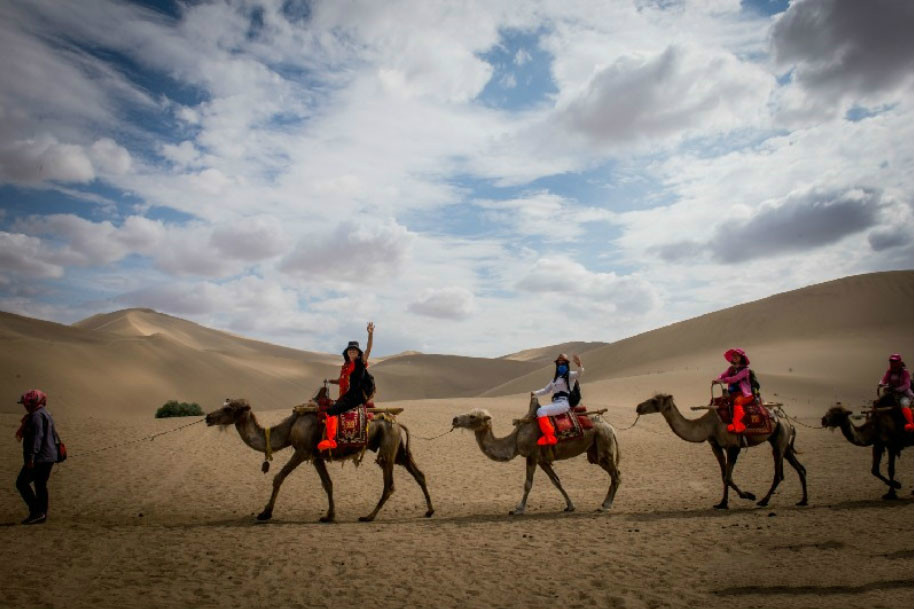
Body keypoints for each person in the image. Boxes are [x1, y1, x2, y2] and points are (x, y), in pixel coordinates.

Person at [319, 322, 374, 450]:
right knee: (331, 406)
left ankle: (331, 441)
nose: (352, 352)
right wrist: (330, 381)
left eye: (354, 350)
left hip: (357, 396)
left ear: (358, 353)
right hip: (346, 395)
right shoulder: (345, 366)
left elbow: (369, 349)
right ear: (347, 352)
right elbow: (342, 381)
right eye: (350, 350)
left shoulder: (361, 362)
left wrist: (370, 334)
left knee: (331, 411)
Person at [14, 389, 59, 525]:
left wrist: (31, 456)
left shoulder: (37, 416)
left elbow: (37, 437)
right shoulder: (45, 413)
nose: (25, 406)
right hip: (48, 456)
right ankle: (41, 514)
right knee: (40, 484)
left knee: (21, 483)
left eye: (27, 404)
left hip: (40, 457)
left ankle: (36, 511)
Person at [530, 353, 584, 446]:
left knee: (541, 411)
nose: (561, 365)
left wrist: (579, 365)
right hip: (555, 403)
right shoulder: (554, 380)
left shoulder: (570, 376)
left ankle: (550, 437)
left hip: (564, 403)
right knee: (539, 412)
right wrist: (535, 393)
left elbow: (579, 373)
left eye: (563, 363)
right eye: (559, 363)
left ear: (566, 364)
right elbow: (546, 390)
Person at [712, 348, 754, 434]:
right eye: (733, 356)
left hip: (745, 394)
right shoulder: (731, 369)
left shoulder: (745, 370)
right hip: (732, 393)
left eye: (736, 356)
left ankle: (738, 425)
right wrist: (717, 379)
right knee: (717, 401)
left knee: (737, 402)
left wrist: (722, 381)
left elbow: (735, 379)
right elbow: (723, 375)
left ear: (741, 357)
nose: (734, 357)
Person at [878, 353, 914, 432]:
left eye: (895, 361)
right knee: (880, 402)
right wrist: (881, 384)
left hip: (904, 392)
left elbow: (907, 385)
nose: (892, 363)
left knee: (904, 404)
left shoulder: (904, 372)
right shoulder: (889, 371)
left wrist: (898, 389)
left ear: (899, 362)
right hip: (892, 391)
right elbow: (885, 379)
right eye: (891, 361)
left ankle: (911, 424)